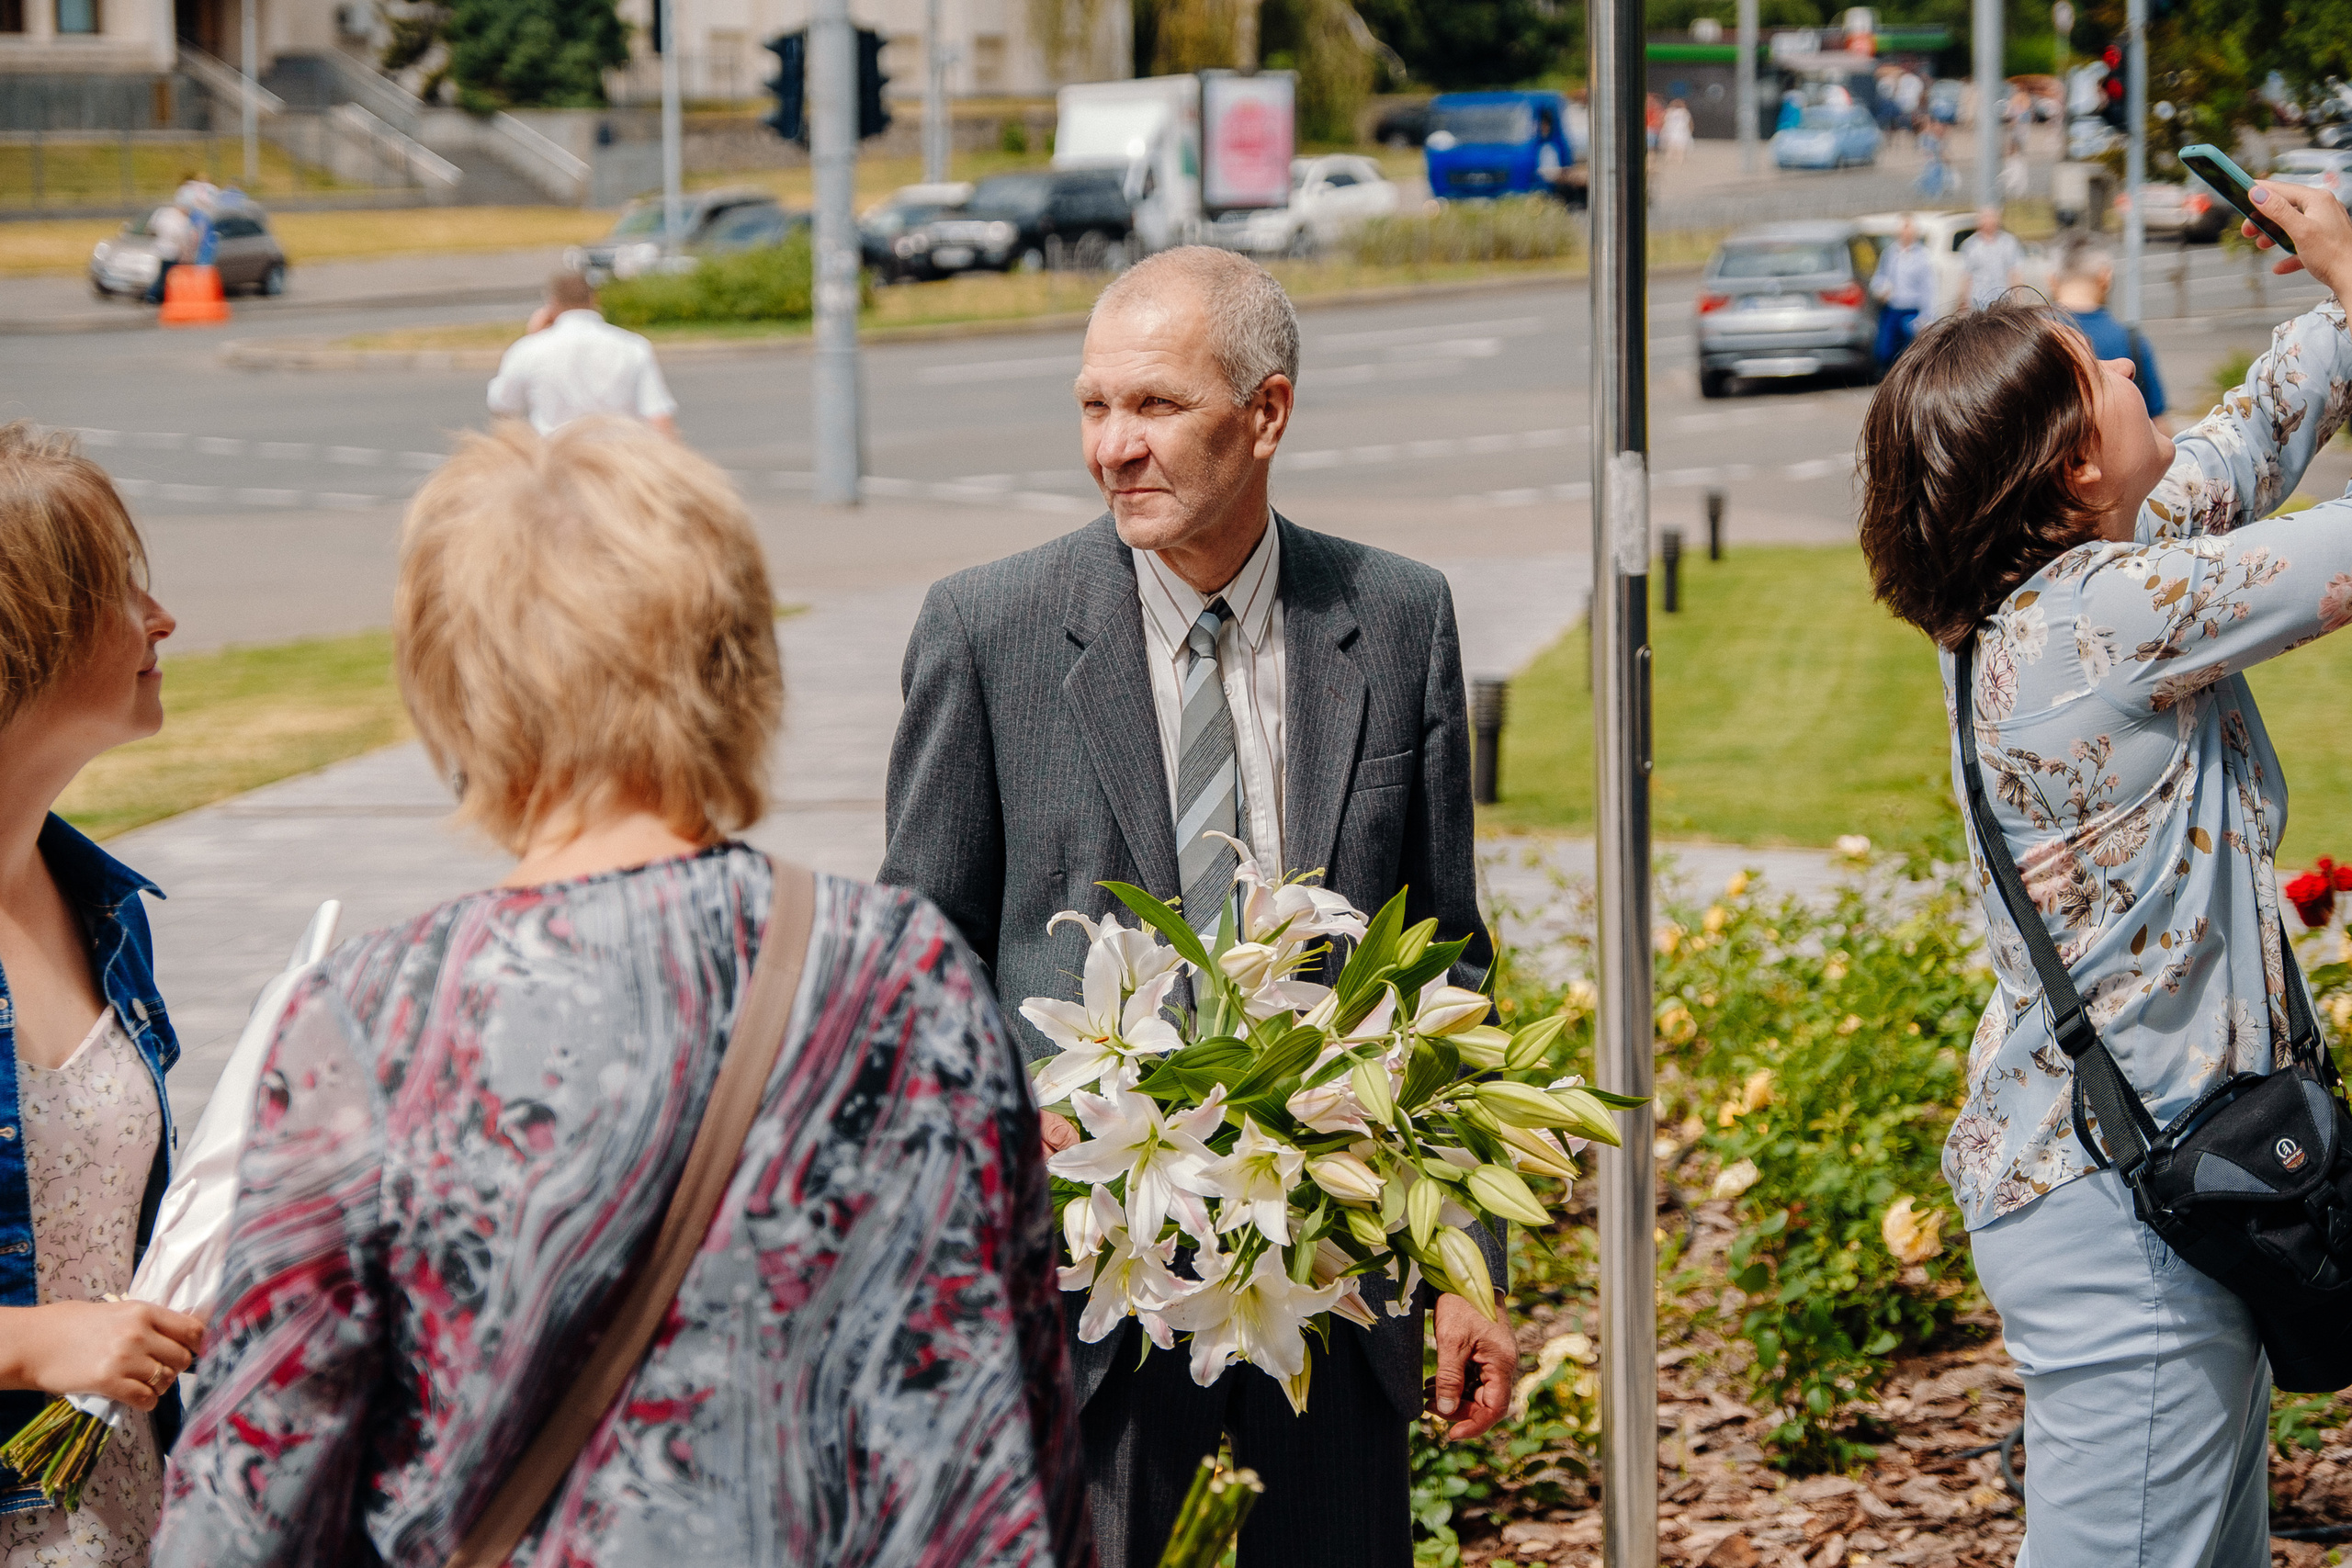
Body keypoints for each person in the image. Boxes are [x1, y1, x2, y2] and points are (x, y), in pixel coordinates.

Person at [151, 419, 1091, 1566]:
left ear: (455, 680)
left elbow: (251, 1495)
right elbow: (1017, 1429)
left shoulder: (372, 1021)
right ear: (736, 658)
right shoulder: (910, 975)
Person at [878, 246, 1513, 1568]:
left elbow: (1447, 961)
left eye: (1156, 406)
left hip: (1334, 1303)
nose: (1114, 447)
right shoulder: (987, 633)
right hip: (1085, 1311)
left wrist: (1465, 1258)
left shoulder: (1396, 619)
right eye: (1094, 406)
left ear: (1266, 413)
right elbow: (917, 983)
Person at [1854, 181, 2352, 1566]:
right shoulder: (2106, 618)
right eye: (2099, 371)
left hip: (2143, 1186)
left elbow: (2254, 436)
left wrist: (2337, 266)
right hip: (2127, 1218)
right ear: (2072, 466)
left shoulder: (2066, 592)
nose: (2132, 365)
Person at [0, 423, 203, 1565]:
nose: (160, 619)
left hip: (121, 1512)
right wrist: (29, 1345)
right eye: (122, 591)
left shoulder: (99, 904)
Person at [485, 272, 679, 437]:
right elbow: (659, 417)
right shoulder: (633, 346)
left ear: (552, 305)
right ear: (594, 299)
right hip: (619, 462)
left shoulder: (529, 350)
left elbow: (503, 404)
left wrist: (532, 337)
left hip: (556, 461)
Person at [2053, 233, 2170, 433]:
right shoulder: (2132, 342)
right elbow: (2157, 422)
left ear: (2052, 280)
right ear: (2105, 277)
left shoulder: (2029, 338)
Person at [1869, 213, 1938, 370]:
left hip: (1912, 309)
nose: (1905, 232)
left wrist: (1927, 316)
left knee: (1908, 351)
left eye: (1909, 228)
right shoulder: (1890, 253)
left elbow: (1929, 288)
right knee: (1885, 351)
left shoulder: (1922, 256)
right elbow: (1879, 278)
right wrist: (1880, 290)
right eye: (1903, 228)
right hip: (1892, 308)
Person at [1959, 205, 2025, 309]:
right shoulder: (1970, 245)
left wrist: (2018, 300)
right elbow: (1966, 276)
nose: (1988, 221)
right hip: (1978, 302)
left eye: (1991, 217)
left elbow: (2015, 273)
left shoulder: (2009, 243)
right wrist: (1963, 301)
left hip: (2003, 301)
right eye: (1985, 218)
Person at [141, 199, 191, 307]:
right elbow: (181, 238)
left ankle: (156, 295)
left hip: (160, 249)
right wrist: (185, 253)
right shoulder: (182, 220)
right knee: (167, 276)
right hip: (171, 252)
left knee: (163, 274)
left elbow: (151, 228)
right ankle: (155, 295)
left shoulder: (164, 213)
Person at [1661, 97, 1694, 165]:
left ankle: (1669, 159)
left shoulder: (1669, 112)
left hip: (1671, 130)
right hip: (1681, 131)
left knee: (1670, 146)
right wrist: (1690, 130)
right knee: (1680, 147)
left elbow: (1664, 121)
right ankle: (1679, 160)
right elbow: (1690, 123)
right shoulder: (1684, 112)